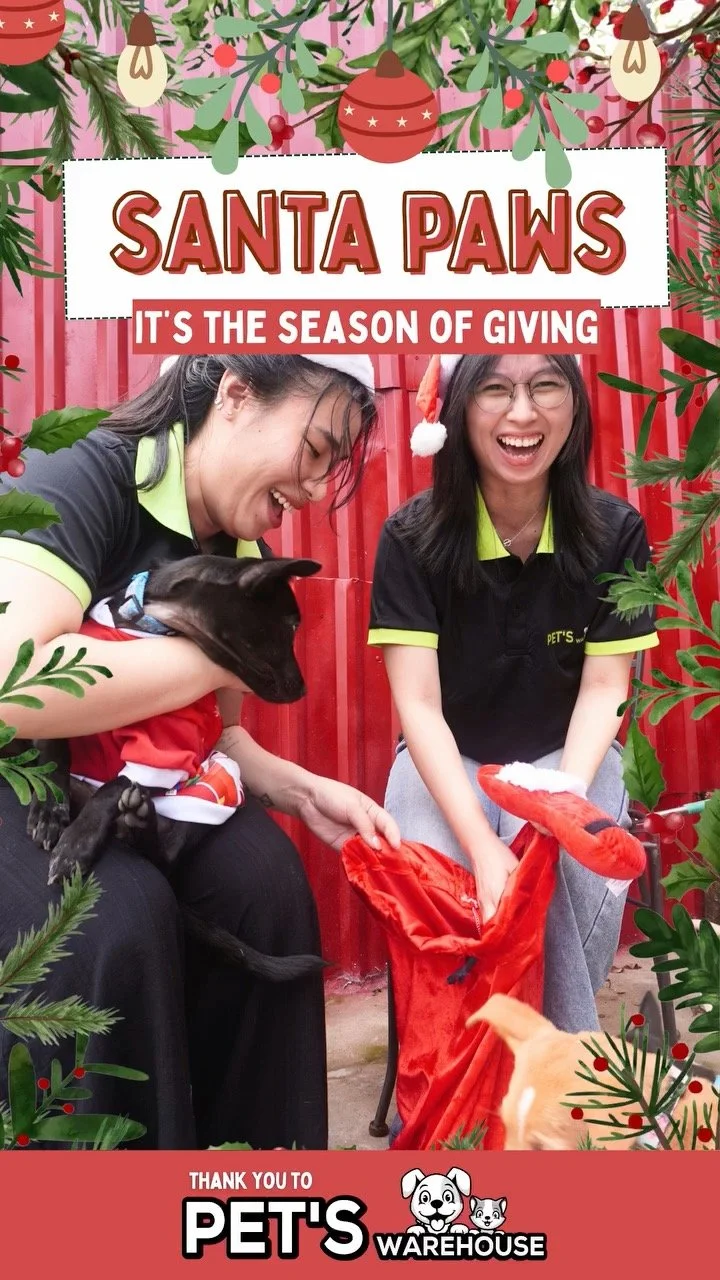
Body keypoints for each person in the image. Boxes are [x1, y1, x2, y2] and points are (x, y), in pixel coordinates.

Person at [0, 352, 400, 1150]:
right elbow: (15, 682)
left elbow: (213, 733)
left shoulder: (235, 545)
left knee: (267, 888)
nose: (314, 489)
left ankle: (254, 1177)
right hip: (21, 778)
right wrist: (225, 656)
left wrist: (302, 790)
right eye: (315, 451)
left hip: (124, 783)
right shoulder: (81, 472)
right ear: (237, 395)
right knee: (114, 915)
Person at [368, 352, 658, 1034]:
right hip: (448, 756)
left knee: (555, 871)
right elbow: (419, 708)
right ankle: (461, 1079)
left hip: (568, 756)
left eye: (546, 386)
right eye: (495, 389)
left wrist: (557, 806)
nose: (522, 413)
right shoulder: (410, 539)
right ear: (458, 409)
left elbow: (604, 689)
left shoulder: (616, 532)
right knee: (440, 887)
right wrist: (482, 844)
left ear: (574, 405)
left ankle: (556, 1069)